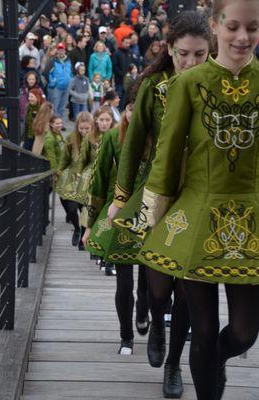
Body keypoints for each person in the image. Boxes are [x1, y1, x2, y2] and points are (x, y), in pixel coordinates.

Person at [137, 1, 259, 399]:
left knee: (243, 332)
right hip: (197, 215)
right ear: (215, 26)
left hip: (251, 220)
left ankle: (218, 361)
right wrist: (152, 224)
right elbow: (167, 159)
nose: (243, 37)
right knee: (202, 330)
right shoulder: (188, 85)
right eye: (234, 26)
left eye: (253, 28)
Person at [107, 11, 210, 399]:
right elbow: (133, 145)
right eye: (184, 54)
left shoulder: (215, 84)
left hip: (197, 195)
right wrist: (119, 198)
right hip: (156, 195)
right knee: (156, 287)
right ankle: (154, 319)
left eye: (200, 55)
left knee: (186, 289)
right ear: (170, 49)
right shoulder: (152, 85)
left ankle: (173, 365)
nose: (191, 63)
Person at [81, 101, 149, 354]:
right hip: (119, 214)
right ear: (126, 112)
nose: (134, 114)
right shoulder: (112, 136)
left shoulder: (157, 135)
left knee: (148, 282)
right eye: (130, 110)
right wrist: (89, 225)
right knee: (123, 282)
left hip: (149, 214)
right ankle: (126, 336)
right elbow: (98, 178)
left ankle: (143, 310)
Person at [56, 111, 94, 246]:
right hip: (72, 177)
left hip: (89, 178)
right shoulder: (71, 139)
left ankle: (84, 235)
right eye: (81, 128)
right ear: (77, 126)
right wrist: (58, 171)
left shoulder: (95, 140)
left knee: (84, 209)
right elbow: (65, 158)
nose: (84, 131)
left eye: (87, 128)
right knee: (71, 208)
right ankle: (77, 229)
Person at [47, 42, 73, 119]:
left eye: (62, 50)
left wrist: (70, 81)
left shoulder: (68, 60)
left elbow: (71, 72)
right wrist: (53, 82)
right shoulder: (52, 61)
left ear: (65, 50)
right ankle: (53, 123)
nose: (61, 51)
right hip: (56, 87)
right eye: (59, 50)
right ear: (57, 51)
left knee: (63, 106)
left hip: (66, 87)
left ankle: (60, 123)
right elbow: (47, 73)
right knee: (55, 106)